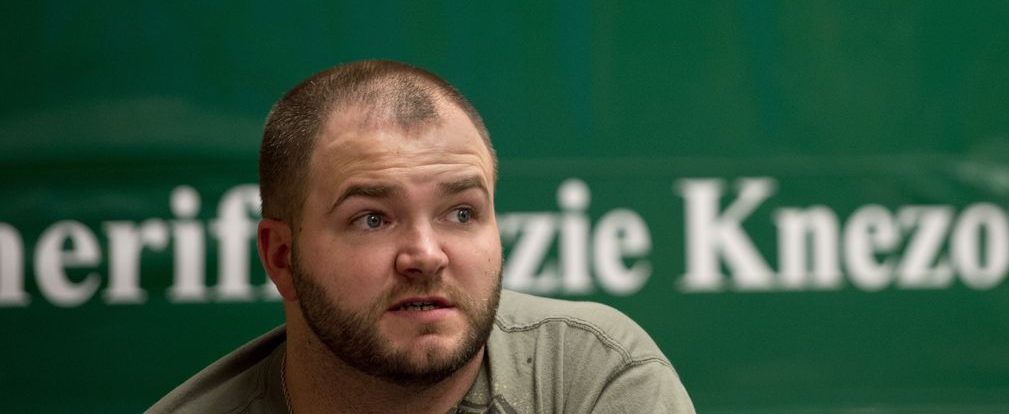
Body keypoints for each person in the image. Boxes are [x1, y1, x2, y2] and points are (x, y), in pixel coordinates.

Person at [147, 59, 695, 414]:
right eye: (372, 219)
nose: (426, 256)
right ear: (282, 258)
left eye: (461, 213)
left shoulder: (587, 377)